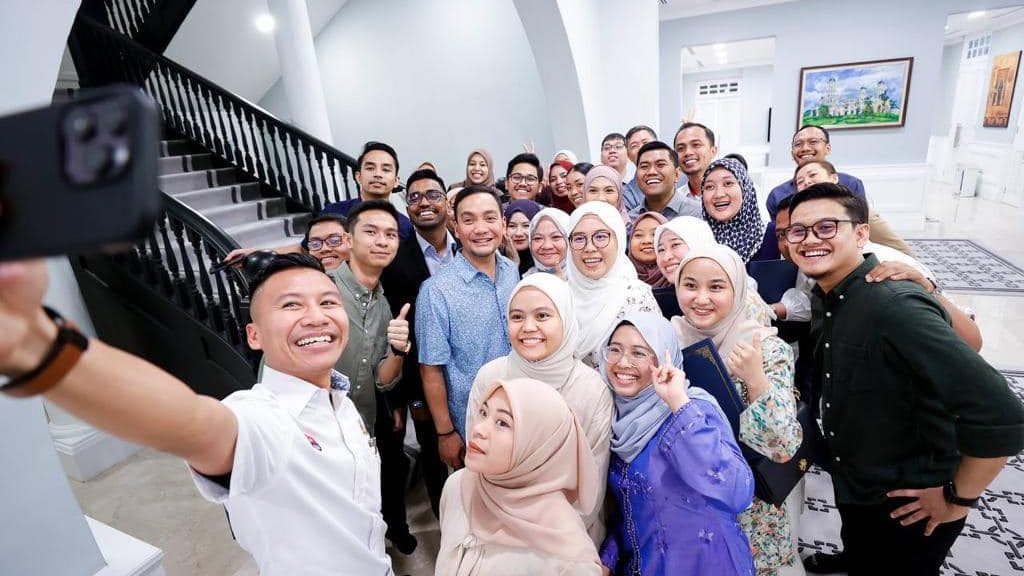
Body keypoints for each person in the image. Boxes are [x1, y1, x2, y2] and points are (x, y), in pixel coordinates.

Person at [0, 254, 395, 575]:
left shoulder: (340, 400)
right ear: (254, 335)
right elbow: (193, 423)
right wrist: (38, 347)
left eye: (328, 302)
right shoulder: (262, 418)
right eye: (291, 304)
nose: (316, 316)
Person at [786, 183, 1024, 576]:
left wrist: (957, 498)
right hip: (862, 488)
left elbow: (1004, 415)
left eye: (827, 227)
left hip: (906, 505)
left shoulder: (892, 305)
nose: (810, 239)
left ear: (861, 233)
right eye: (799, 231)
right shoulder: (832, 296)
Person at [673, 244, 803, 576]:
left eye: (716, 286)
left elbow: (783, 446)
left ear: (738, 290)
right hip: (686, 507)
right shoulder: (669, 341)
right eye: (690, 285)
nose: (701, 298)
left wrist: (755, 379)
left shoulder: (764, 348)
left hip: (747, 511)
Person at [599, 312, 756, 576]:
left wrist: (678, 404)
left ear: (664, 358)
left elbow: (737, 491)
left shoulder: (694, 408)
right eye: (614, 350)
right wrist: (608, 559)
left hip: (708, 565)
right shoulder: (617, 420)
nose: (623, 362)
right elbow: (631, 508)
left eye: (639, 353)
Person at [467, 274, 614, 543]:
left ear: (566, 319)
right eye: (517, 317)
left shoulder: (591, 390)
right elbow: (477, 462)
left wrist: (546, 543)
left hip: (566, 537)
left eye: (543, 316)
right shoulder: (491, 377)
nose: (528, 327)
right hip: (495, 530)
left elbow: (590, 488)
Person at [435, 378, 602, 576]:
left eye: (502, 423)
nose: (478, 429)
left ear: (538, 447)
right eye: (483, 413)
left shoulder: (569, 559)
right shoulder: (458, 485)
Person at [326, 200, 417, 554]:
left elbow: (382, 378)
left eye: (390, 235)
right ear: (348, 240)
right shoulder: (322, 290)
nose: (382, 241)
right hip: (317, 433)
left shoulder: (383, 305)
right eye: (372, 232)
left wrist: (399, 350)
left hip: (360, 429)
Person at [416, 185, 520, 467]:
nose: (481, 228)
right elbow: (431, 369)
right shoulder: (436, 291)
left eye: (490, 218)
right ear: (456, 228)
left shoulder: (512, 272)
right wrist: (445, 433)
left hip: (522, 410)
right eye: (469, 220)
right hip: (473, 423)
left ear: (503, 224)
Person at [380, 169, 459, 519]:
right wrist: (404, 397)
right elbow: (393, 331)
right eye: (414, 197)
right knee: (433, 455)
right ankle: (448, 528)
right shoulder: (394, 259)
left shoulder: (467, 247)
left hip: (472, 373)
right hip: (423, 380)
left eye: (432, 195)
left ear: (446, 203)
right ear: (407, 206)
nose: (424, 202)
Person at [567, 201, 659, 369]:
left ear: (619, 240)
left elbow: (650, 365)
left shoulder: (636, 297)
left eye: (601, 237)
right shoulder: (559, 296)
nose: (589, 248)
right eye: (579, 238)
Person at [791, 158, 912, 256]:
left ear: (834, 178)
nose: (806, 182)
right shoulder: (798, 216)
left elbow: (902, 251)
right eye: (800, 181)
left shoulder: (857, 211)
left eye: (812, 175)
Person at [323, 141, 415, 241]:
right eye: (370, 168)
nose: (378, 174)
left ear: (396, 181)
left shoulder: (405, 226)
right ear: (358, 177)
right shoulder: (333, 212)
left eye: (386, 170)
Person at [701, 157, 778, 262]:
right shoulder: (696, 240)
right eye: (709, 187)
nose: (718, 194)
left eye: (728, 183)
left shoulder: (774, 234)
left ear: (745, 189)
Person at [628, 141, 703, 223]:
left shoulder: (698, 213)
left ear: (677, 174)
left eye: (660, 165)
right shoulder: (630, 220)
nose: (651, 172)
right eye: (644, 166)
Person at [674, 122, 719, 198]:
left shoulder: (727, 194)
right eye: (680, 148)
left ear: (713, 151)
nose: (688, 152)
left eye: (696, 145)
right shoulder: (675, 199)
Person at [628, 212, 671, 288]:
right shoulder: (617, 277)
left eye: (655, 234)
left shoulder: (680, 277)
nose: (647, 241)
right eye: (638, 235)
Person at [526, 207, 571, 278]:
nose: (547, 246)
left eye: (556, 237)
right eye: (538, 238)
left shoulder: (583, 278)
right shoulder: (527, 278)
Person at [622, 125, 657, 212]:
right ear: (628, 155)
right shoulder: (626, 193)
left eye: (645, 142)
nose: (641, 148)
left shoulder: (681, 177)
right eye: (634, 146)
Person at [503, 199, 543, 276]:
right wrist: (512, 265)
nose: (519, 233)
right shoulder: (495, 259)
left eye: (526, 226)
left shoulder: (547, 259)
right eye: (512, 226)